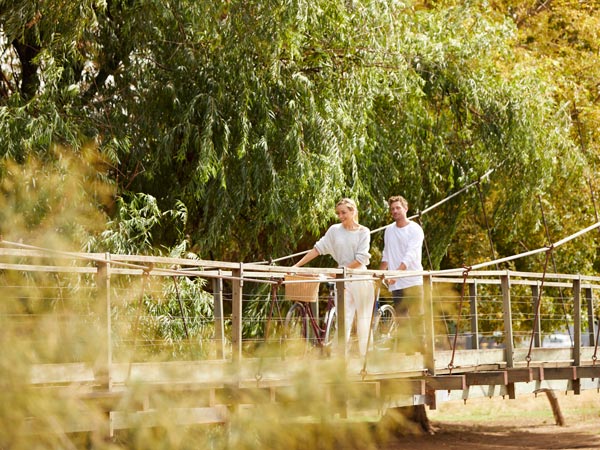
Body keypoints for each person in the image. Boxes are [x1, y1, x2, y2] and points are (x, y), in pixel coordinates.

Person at [293, 198, 375, 356]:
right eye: (338, 213)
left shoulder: (363, 231)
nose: (340, 216)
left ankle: (367, 358)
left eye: (344, 212)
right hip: (342, 280)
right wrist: (297, 266)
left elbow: (361, 259)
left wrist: (342, 270)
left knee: (364, 320)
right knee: (343, 318)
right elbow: (317, 249)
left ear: (353, 211)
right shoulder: (334, 230)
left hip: (360, 278)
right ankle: (340, 358)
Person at [379, 195, 425, 353]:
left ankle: (423, 348)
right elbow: (386, 253)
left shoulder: (415, 230)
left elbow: (410, 255)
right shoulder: (389, 230)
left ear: (406, 208)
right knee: (401, 316)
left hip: (412, 279)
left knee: (417, 314)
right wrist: (381, 272)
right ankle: (408, 349)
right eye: (392, 209)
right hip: (396, 281)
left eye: (398, 208)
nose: (395, 211)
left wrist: (397, 273)